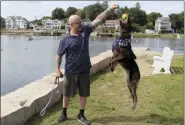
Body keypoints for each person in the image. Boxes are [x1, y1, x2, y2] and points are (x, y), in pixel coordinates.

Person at [56, 4, 118, 125]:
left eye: (81, 21)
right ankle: (64, 113)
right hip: (70, 71)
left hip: (84, 70)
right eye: (79, 22)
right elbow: (59, 55)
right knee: (67, 94)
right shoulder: (64, 39)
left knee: (84, 93)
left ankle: (81, 114)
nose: (82, 23)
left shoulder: (86, 30)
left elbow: (98, 19)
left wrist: (109, 9)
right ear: (72, 25)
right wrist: (58, 70)